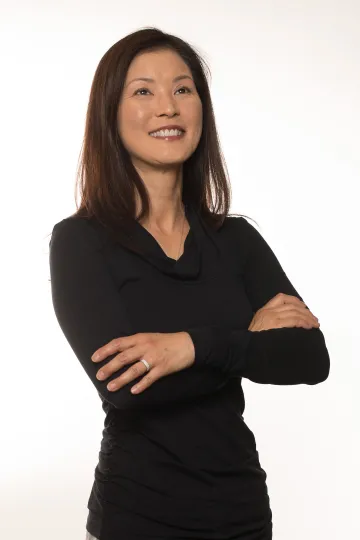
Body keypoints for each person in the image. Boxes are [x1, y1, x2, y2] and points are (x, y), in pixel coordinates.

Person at [49, 28, 330, 540]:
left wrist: (189, 346)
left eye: (183, 89)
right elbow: (129, 389)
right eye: (143, 91)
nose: (168, 107)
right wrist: (245, 336)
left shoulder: (236, 239)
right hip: (137, 518)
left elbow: (310, 359)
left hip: (242, 514)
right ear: (109, 112)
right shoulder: (79, 242)